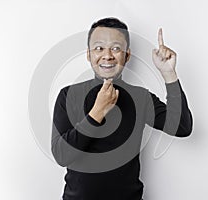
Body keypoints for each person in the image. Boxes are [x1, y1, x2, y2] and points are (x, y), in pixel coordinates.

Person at [51, 17, 193, 200]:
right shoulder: (69, 95)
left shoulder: (140, 97)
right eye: (99, 48)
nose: (107, 55)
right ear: (89, 54)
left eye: (116, 48)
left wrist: (168, 73)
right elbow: (62, 156)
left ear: (127, 56)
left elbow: (182, 127)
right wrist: (96, 113)